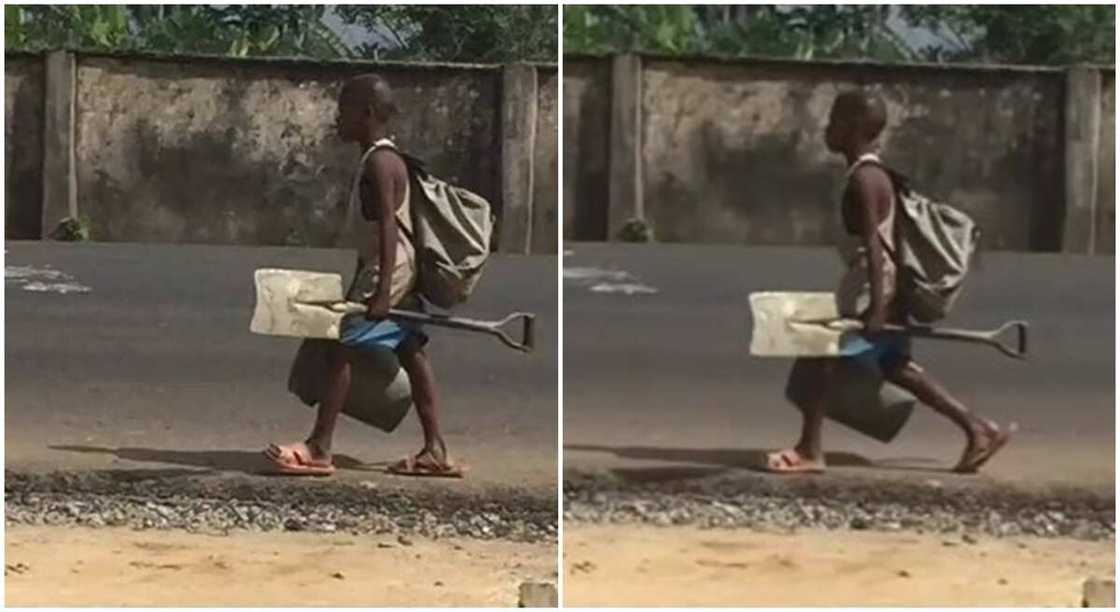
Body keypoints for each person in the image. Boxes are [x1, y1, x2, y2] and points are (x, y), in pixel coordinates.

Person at [765, 90, 1009, 474]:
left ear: (854, 129)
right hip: (886, 286)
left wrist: (878, 307)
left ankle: (809, 449)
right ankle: (979, 429)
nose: (828, 129)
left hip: (872, 286)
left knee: (819, 354)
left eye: (835, 122)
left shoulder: (865, 179)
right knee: (896, 365)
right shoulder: (877, 175)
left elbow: (879, 250)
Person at [264, 74, 463, 477]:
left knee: (342, 344)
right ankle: (435, 450)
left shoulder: (378, 162)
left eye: (343, 111)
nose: (337, 120)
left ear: (367, 113)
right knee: (411, 349)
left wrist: (382, 291)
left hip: (391, 270)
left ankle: (320, 447)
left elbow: (389, 225)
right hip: (395, 268)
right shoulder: (385, 159)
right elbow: (380, 230)